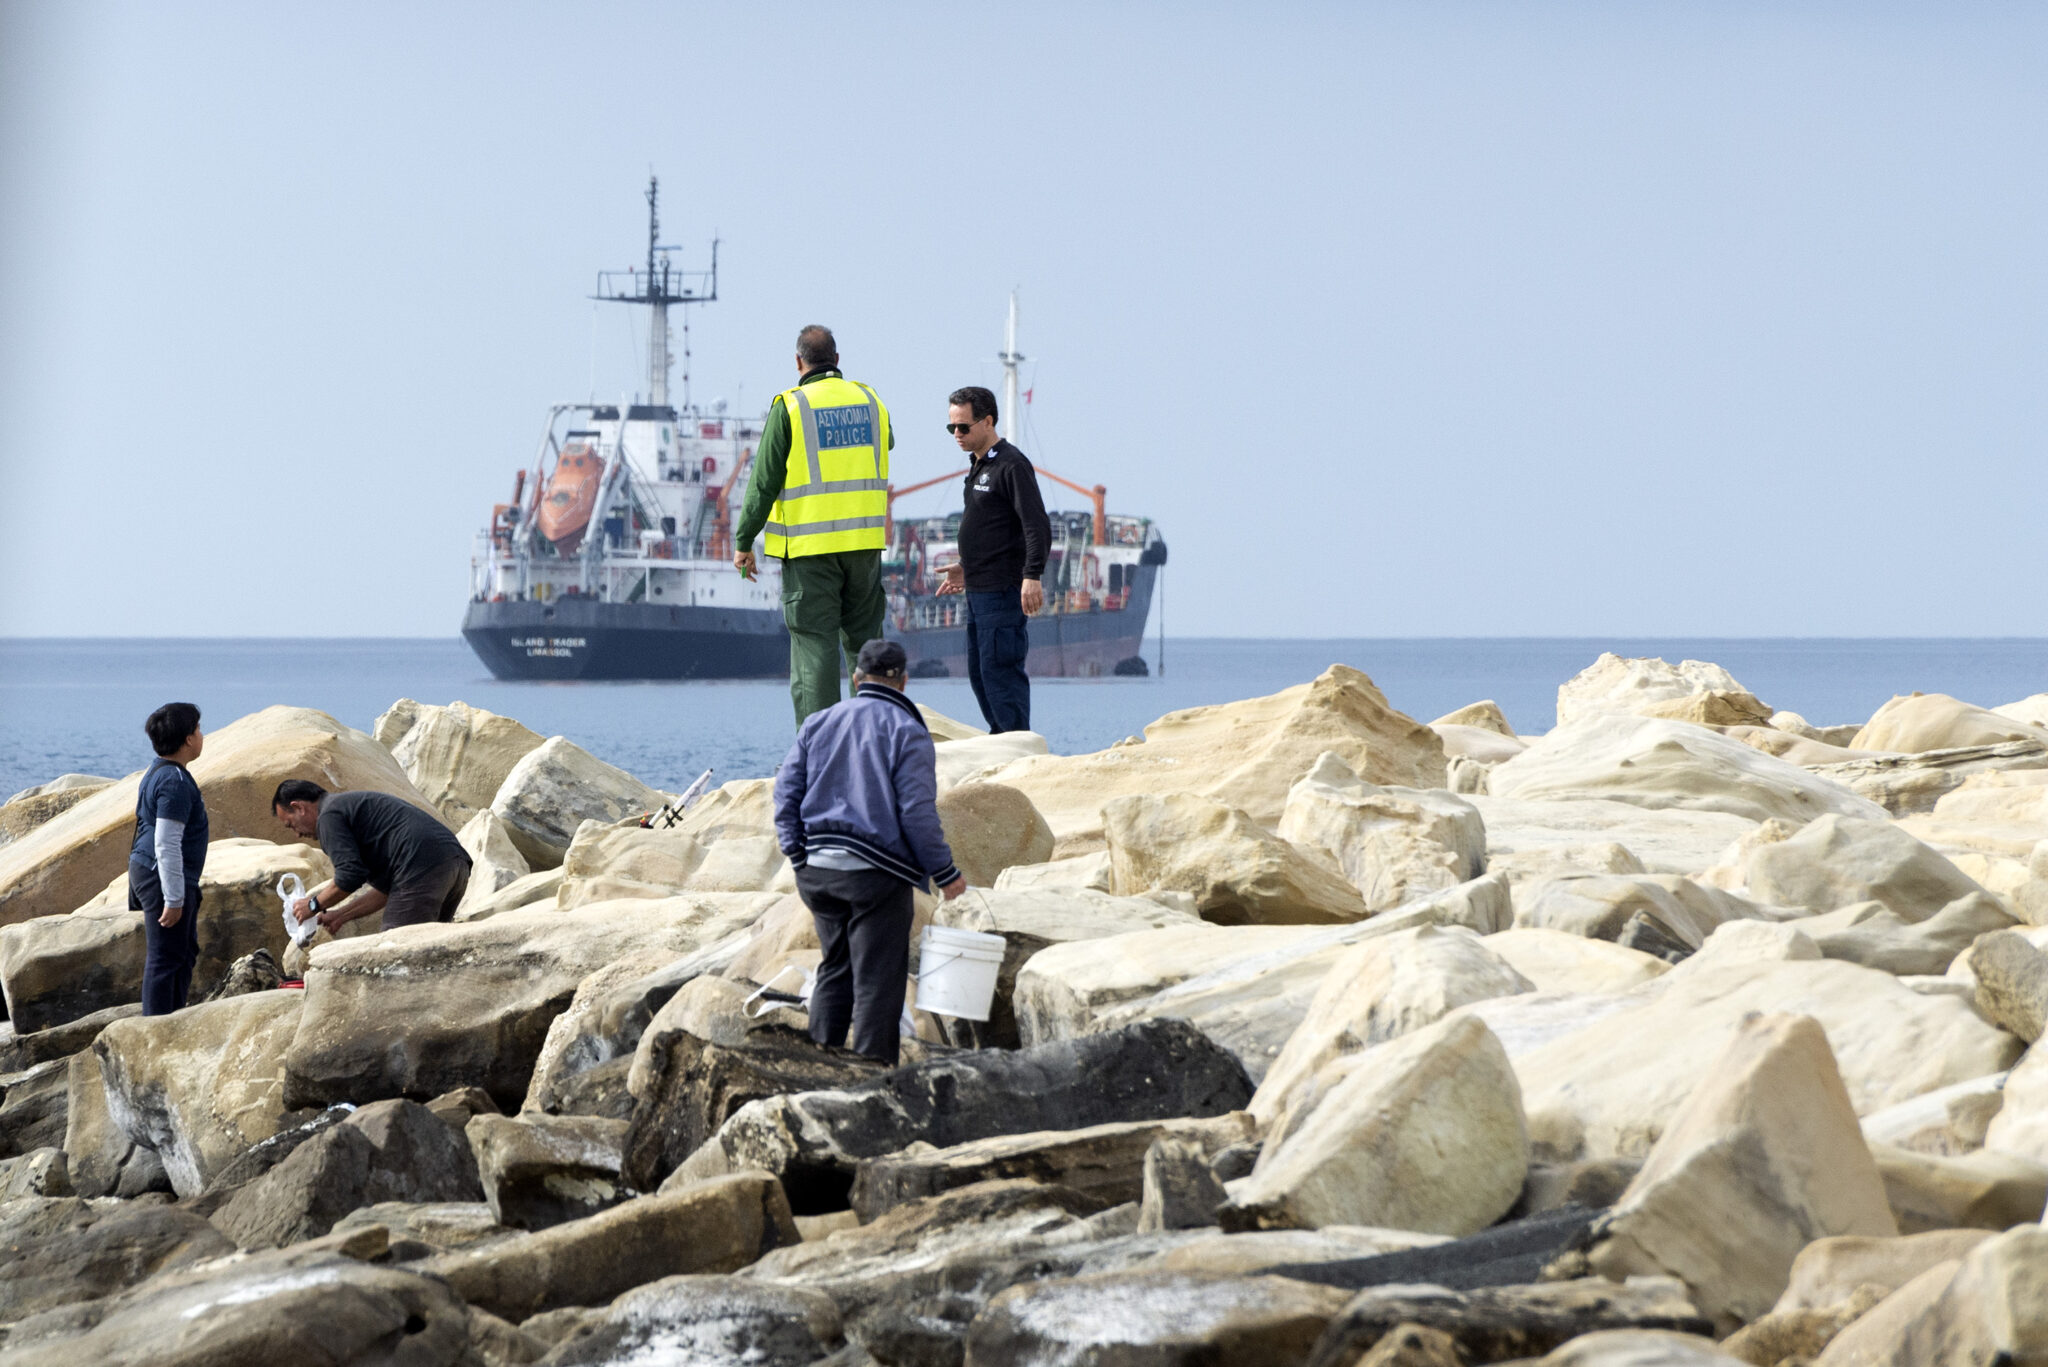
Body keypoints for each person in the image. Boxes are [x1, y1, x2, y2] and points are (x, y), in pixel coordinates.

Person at [774, 639, 965, 1064]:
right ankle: (872, 1076)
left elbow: (785, 794)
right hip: (875, 877)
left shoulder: (818, 722)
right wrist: (946, 873)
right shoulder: (908, 731)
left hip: (817, 873)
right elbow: (917, 813)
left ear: (856, 679)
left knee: (834, 967)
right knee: (878, 979)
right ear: (903, 683)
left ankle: (821, 1062)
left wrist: (797, 855)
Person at [733, 325, 897, 726]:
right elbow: (888, 441)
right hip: (863, 546)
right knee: (866, 649)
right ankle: (874, 738)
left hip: (810, 552)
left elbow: (764, 481)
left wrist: (743, 541)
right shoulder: (869, 399)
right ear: (837, 360)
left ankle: (822, 750)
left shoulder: (790, 407)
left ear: (798, 362)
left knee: (814, 651)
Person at [936, 385, 1050, 733]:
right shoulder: (978, 466)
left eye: (964, 427)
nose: (957, 434)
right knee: (980, 674)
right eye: (952, 427)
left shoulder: (1011, 465)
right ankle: (1001, 739)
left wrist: (1032, 575)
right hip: (979, 591)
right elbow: (993, 530)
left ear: (987, 421)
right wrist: (965, 568)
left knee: (1001, 673)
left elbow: (1036, 525)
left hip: (1002, 592)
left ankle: (1016, 746)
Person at [272, 782, 471, 931]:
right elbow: (390, 890)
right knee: (429, 952)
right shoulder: (347, 807)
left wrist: (313, 904)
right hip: (454, 863)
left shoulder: (328, 817)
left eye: (291, 824)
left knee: (396, 949)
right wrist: (340, 915)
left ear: (299, 807)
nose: (297, 834)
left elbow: (350, 875)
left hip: (421, 863)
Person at [131, 702, 208, 1015]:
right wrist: (174, 898)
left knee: (183, 953)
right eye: (198, 729)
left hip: (151, 869)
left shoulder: (161, 771)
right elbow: (166, 842)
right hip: (160, 874)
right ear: (188, 739)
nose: (202, 735)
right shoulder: (173, 782)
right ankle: (156, 1030)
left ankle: (173, 1019)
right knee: (165, 959)